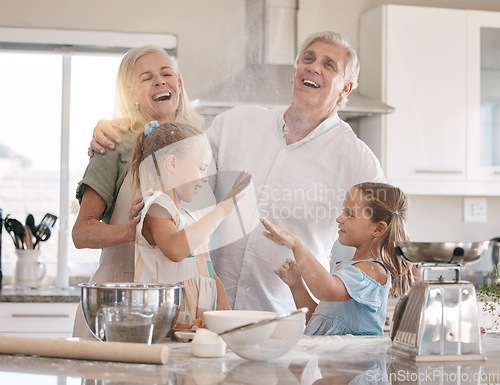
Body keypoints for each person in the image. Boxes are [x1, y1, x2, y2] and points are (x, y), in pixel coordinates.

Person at [88, 31, 385, 314]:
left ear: (345, 87)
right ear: (296, 70)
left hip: (286, 320)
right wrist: (115, 127)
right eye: (308, 59)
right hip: (207, 315)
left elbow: (379, 243)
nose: (314, 68)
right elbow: (172, 154)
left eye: (328, 65)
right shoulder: (235, 124)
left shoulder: (358, 161)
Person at [71, 45, 202, 338]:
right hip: (114, 306)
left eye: (167, 73)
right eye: (147, 77)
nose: (160, 81)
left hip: (178, 312)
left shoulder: (199, 150)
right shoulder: (114, 144)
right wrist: (132, 232)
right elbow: (81, 233)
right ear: (130, 95)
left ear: (179, 84)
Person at [131, 121, 251, 327]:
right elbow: (175, 249)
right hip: (163, 329)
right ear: (172, 164)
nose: (205, 178)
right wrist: (221, 210)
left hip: (192, 329)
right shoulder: (157, 205)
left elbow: (211, 277)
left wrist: (231, 324)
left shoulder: (187, 217)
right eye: (201, 168)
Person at [261, 182, 415, 335]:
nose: (339, 218)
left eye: (349, 214)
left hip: (357, 359)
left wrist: (297, 245)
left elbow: (327, 291)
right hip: (335, 358)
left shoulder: (372, 270)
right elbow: (320, 320)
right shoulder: (352, 269)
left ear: (378, 228)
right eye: (343, 211)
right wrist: (296, 285)